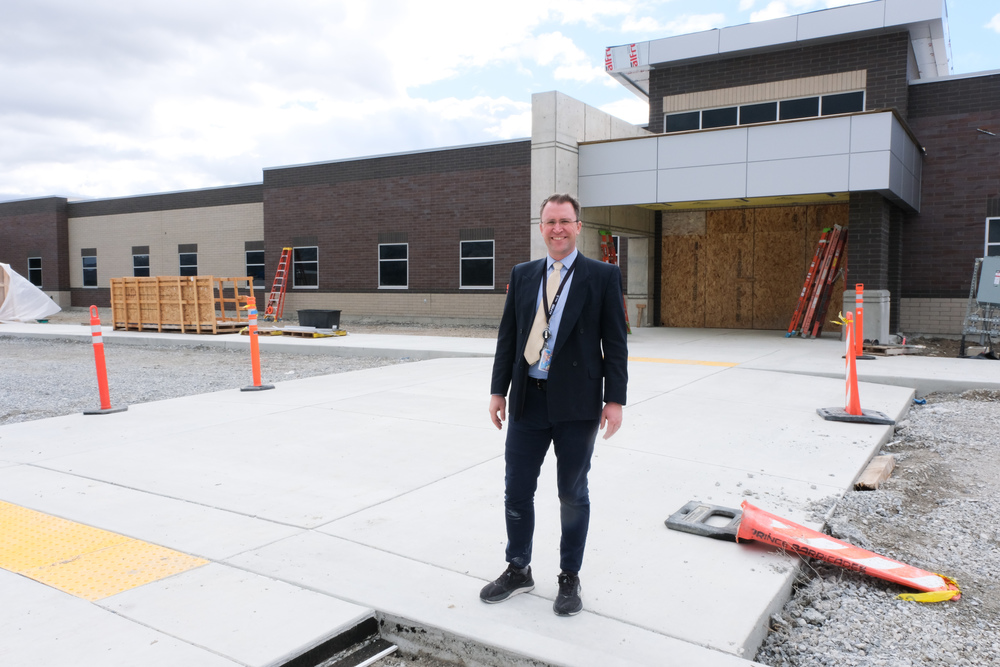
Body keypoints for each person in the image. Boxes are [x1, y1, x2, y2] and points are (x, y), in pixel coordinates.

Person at [481, 192, 628, 617]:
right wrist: (497, 391)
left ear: (578, 227)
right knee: (516, 490)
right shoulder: (524, 274)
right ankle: (518, 568)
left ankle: (569, 577)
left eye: (565, 221)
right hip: (528, 400)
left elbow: (615, 345)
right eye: (550, 222)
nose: (557, 229)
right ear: (540, 227)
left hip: (578, 405)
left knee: (571, 494)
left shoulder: (601, 276)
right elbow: (507, 338)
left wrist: (614, 399)